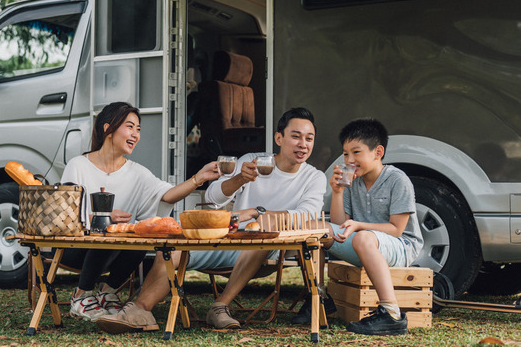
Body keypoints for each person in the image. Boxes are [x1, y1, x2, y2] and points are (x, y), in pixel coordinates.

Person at [96, 107, 327, 333]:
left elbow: (307, 215)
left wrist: (257, 213)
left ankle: (220, 306)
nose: (303, 144)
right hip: (227, 237)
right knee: (173, 247)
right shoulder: (253, 161)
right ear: (279, 137)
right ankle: (140, 310)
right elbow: (213, 197)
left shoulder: (313, 177)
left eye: (309, 138)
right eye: (295, 137)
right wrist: (237, 180)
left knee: (259, 239)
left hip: (268, 246)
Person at [60, 101, 219, 322]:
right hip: (74, 248)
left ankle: (108, 293)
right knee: (106, 231)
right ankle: (81, 297)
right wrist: (102, 217)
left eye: (138, 129)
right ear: (108, 128)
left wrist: (198, 178)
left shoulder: (137, 172)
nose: (135, 134)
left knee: (139, 235)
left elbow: (167, 195)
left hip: (112, 251)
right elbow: (64, 215)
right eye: (129, 126)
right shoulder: (78, 165)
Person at [322, 118, 423, 336]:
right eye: (346, 153)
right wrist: (338, 192)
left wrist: (359, 226)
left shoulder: (398, 180)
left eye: (356, 152)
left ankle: (392, 314)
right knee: (319, 228)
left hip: (401, 246)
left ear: (378, 152)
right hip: (364, 244)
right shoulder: (352, 181)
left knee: (362, 237)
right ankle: (319, 299)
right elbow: (340, 227)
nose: (349, 159)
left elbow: (397, 229)